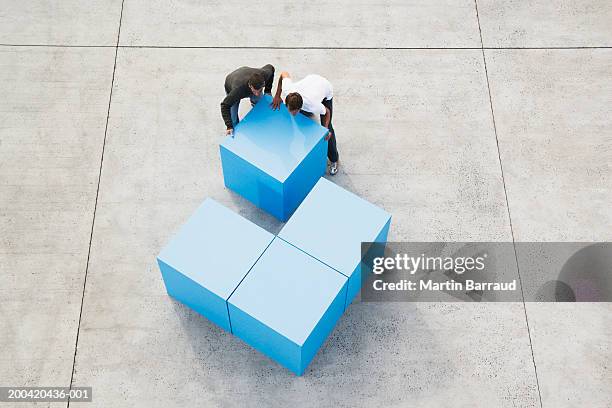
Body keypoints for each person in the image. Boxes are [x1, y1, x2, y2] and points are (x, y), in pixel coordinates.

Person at [271, 71, 339, 175]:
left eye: (295, 111)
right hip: (311, 81)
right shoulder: (287, 90)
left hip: (325, 88)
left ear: (300, 107)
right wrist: (277, 95)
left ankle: (334, 160)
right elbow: (283, 74)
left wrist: (326, 129)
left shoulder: (312, 104)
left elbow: (327, 112)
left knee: (327, 131)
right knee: (303, 116)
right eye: (290, 111)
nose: (293, 114)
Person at [221, 64, 275, 136]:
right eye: (255, 91)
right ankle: (236, 133)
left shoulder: (264, 74)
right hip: (232, 83)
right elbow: (224, 105)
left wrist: (267, 91)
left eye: (260, 90)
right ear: (250, 86)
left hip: (246, 73)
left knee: (259, 99)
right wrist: (229, 126)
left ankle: (254, 103)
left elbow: (271, 67)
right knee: (233, 120)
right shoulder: (238, 90)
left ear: (263, 84)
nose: (257, 93)